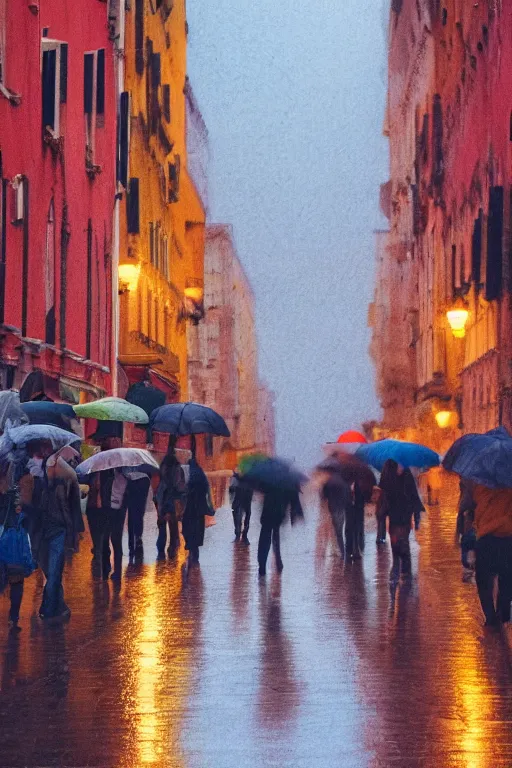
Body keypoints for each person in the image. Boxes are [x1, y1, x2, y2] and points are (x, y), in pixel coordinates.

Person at [20, 440, 82, 621]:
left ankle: (47, 609)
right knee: (49, 570)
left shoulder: (64, 471)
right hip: (37, 529)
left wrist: (76, 530)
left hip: (58, 527)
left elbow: (74, 502)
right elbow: (23, 502)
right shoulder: (26, 470)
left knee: (55, 570)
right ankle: (60, 606)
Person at [459, 482, 512, 626]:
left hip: (485, 538)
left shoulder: (478, 484)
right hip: (507, 537)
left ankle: (491, 618)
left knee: (483, 580)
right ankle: (504, 614)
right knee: (507, 577)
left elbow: (465, 505)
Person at [377, 459, 424, 581]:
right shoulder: (388, 474)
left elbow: (413, 495)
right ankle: (397, 565)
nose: (401, 467)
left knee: (404, 540)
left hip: (405, 514)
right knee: (394, 540)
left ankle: (406, 569)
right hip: (393, 514)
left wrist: (417, 516)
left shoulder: (407, 475)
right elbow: (382, 490)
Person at [0, 465, 34, 631]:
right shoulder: (19, 481)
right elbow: (27, 510)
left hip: (10, 537)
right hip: (12, 538)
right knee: (16, 579)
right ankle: (13, 617)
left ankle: (14, 616)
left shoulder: (17, 483)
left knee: (15, 577)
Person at [258, 486, 303, 576]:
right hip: (279, 512)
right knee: (275, 534)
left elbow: (261, 487)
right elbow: (294, 497)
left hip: (268, 511)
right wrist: (297, 511)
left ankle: (262, 564)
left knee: (265, 537)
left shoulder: (269, 478)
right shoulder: (288, 480)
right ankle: (278, 561)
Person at [182, 457, 213, 566]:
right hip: (200, 506)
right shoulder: (201, 474)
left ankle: (190, 545)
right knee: (198, 527)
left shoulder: (187, 474)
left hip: (189, 505)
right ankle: (195, 548)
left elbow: (184, 489)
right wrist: (210, 506)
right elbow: (207, 489)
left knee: (188, 526)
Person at [156, 449, 186, 557]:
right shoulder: (178, 469)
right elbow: (180, 487)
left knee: (162, 524)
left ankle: (161, 548)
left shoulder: (162, 469)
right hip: (173, 501)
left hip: (163, 500)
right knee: (173, 527)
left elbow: (160, 488)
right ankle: (173, 548)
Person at [320, 472, 352, 558]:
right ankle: (344, 551)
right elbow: (349, 496)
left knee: (338, 531)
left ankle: (342, 552)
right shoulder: (345, 482)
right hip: (342, 508)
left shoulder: (328, 482)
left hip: (333, 508)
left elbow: (323, 496)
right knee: (341, 529)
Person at [123, 470, 151, 557]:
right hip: (144, 479)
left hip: (130, 479)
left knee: (132, 511)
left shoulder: (125, 458)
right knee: (139, 511)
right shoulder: (143, 457)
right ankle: (138, 537)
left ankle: (132, 541)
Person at [230, 471, 253, 544]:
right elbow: (231, 489)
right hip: (239, 500)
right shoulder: (236, 476)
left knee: (245, 518)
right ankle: (238, 535)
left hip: (246, 500)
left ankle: (244, 536)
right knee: (238, 518)